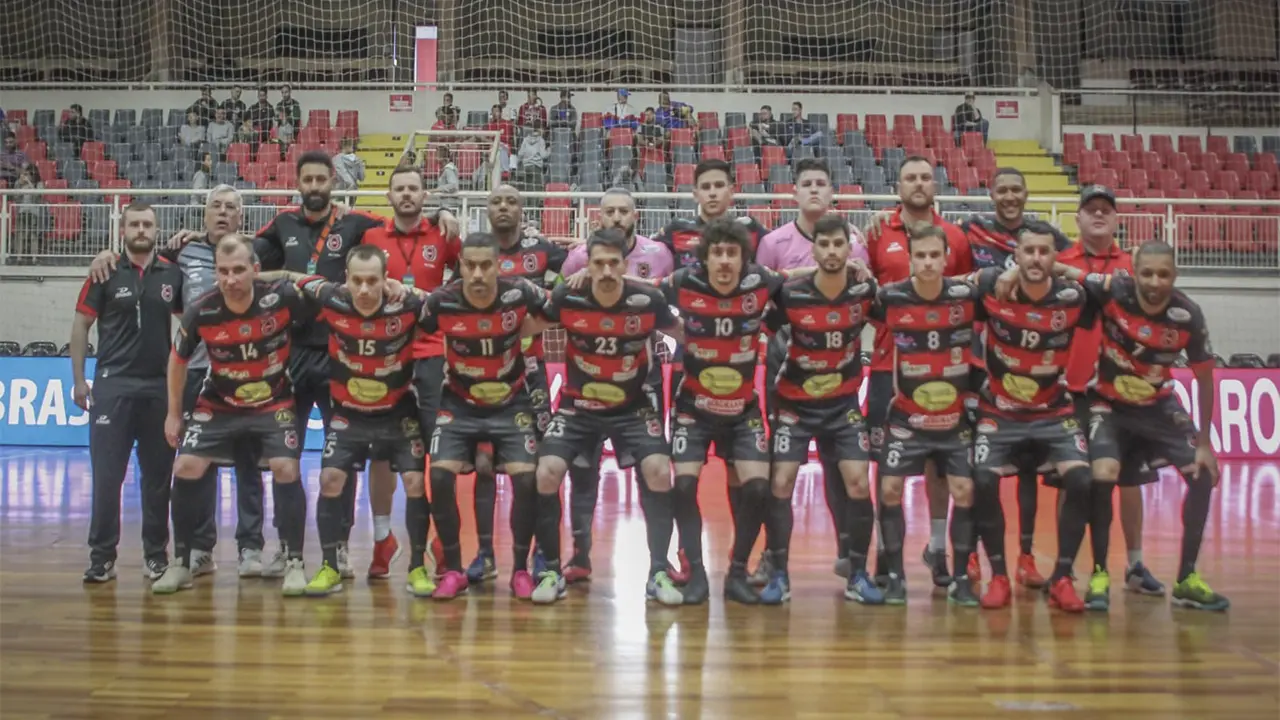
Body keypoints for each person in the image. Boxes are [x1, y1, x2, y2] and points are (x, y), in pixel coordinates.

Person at [253, 151, 456, 578]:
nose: (313, 185)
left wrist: (444, 213)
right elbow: (243, 255)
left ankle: (418, 544)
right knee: (298, 456)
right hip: (319, 353)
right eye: (306, 178)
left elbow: (458, 255)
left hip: (395, 355)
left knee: (411, 456)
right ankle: (310, 546)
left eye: (320, 178)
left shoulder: (393, 228)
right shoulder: (306, 226)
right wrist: (192, 240)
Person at [88, 185, 266, 578]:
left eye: (231, 208)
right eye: (215, 206)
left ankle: (251, 548)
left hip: (249, 374)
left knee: (248, 463)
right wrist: (106, 255)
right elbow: (138, 261)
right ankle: (200, 549)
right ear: (204, 214)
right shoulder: (181, 253)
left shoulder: (259, 251)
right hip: (197, 374)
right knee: (195, 465)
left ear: (242, 216)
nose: (223, 213)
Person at [1050, 242, 1228, 611]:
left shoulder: (1187, 315)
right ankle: (1100, 573)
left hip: (1158, 404)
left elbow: (1206, 378)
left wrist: (1206, 444)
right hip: (1108, 403)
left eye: (1163, 274)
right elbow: (1070, 273)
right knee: (1103, 472)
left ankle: (1187, 578)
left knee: (1202, 474)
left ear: (1174, 276)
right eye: (1146, 273)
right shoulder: (1114, 289)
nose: (1154, 281)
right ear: (1134, 274)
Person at [258, 246, 434, 597]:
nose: (365, 289)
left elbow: (445, 299)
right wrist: (253, 275)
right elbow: (292, 277)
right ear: (346, 281)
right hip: (348, 413)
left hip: (398, 412)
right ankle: (329, 566)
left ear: (386, 280)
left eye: (373, 281)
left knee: (415, 482)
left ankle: (417, 568)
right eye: (357, 281)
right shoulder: (332, 297)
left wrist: (410, 288)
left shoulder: (408, 303)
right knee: (330, 478)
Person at [155, 235, 311, 596]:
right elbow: (177, 361)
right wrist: (173, 414)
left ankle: (294, 562)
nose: (230, 279)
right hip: (219, 404)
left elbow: (322, 314)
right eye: (223, 272)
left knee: (287, 468)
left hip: (273, 401)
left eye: (239, 270)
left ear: (255, 270)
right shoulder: (201, 310)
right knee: (185, 467)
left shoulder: (282, 297)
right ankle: (181, 562)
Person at [535, 229, 683, 605]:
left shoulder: (646, 299)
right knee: (548, 470)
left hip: (633, 406)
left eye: (612, 263)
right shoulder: (569, 295)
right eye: (596, 263)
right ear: (587, 264)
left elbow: (682, 332)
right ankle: (554, 567)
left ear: (624, 265)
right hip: (577, 405)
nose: (604, 270)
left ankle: (658, 572)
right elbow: (525, 326)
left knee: (658, 470)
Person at [658, 219, 797, 605]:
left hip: (743, 409)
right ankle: (697, 573)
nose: (723, 260)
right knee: (683, 485)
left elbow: (795, 277)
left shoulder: (762, 281)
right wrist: (676, 330)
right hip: (692, 407)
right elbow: (645, 293)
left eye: (731, 253)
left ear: (743, 258)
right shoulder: (684, 281)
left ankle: (736, 572)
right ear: (705, 258)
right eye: (716, 253)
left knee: (757, 489)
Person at [754, 158, 870, 581]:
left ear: (832, 191)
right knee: (779, 472)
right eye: (807, 184)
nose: (815, 190)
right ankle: (773, 556)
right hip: (787, 370)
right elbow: (762, 289)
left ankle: (848, 552)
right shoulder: (773, 241)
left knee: (846, 468)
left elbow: (863, 293)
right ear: (795, 192)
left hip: (839, 373)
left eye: (822, 182)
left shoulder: (854, 241)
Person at [417, 233, 550, 601]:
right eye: (470, 265)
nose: (477, 273)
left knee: (526, 480)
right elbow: (420, 327)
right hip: (459, 402)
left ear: (498, 265)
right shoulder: (442, 301)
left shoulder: (520, 292)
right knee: (440, 475)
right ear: (460, 266)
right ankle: (454, 571)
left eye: (485, 265)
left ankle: (520, 569)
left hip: (511, 401)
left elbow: (558, 309)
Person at [970, 222, 1095, 612]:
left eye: (1044, 251)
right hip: (999, 410)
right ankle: (999, 576)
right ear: (1016, 255)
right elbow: (942, 289)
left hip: (1053, 410)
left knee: (1082, 478)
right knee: (982, 480)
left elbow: (1121, 293)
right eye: (1029, 251)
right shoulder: (991, 286)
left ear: (1055, 257)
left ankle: (1061, 577)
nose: (1036, 258)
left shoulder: (1075, 296)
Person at [862, 156, 972, 588]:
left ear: (936, 184)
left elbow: (964, 295)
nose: (919, 184)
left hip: (945, 369)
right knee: (884, 466)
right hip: (890, 366)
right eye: (911, 177)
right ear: (898, 187)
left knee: (940, 465)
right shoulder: (876, 232)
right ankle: (887, 558)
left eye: (926, 176)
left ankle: (938, 548)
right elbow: (865, 295)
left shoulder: (956, 237)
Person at [959, 167, 1072, 589]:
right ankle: (968, 554)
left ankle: (1024, 556)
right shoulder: (971, 231)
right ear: (991, 194)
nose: (1009, 196)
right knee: (973, 466)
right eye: (1001, 189)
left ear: (1027, 193)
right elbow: (946, 268)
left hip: (1034, 367)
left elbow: (1072, 268)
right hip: (978, 364)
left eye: (1016, 189)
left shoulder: (1047, 237)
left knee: (1027, 466)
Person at [557, 188, 674, 582]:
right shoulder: (575, 256)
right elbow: (563, 304)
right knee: (580, 472)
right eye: (610, 212)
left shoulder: (658, 253)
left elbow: (668, 300)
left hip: (640, 377)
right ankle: (579, 555)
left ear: (635, 215)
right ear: (598, 217)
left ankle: (660, 562)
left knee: (653, 469)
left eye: (624, 211)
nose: (617, 218)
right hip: (586, 383)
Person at [868, 225, 983, 607]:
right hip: (906, 417)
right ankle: (896, 576)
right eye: (921, 256)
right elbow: (847, 300)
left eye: (936, 255)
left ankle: (962, 577)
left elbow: (1003, 284)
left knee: (965, 491)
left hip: (953, 419)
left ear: (947, 257)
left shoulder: (967, 295)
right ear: (911, 259)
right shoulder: (891, 297)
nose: (929, 262)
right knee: (888, 489)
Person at [1059, 185, 1164, 596]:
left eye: (1106, 209)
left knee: (1131, 480)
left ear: (1117, 219)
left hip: (1125, 391)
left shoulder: (1135, 266)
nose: (1098, 215)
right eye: (1091, 209)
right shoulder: (1060, 262)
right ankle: (1065, 567)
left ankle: (1135, 564)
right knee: (1070, 478)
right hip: (1072, 391)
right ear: (1078, 218)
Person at [72, 202, 184, 583]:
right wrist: (78, 380)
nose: (141, 229)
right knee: (107, 477)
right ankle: (102, 556)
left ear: (156, 229)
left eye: (147, 224)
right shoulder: (104, 272)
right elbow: (81, 326)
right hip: (112, 386)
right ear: (123, 230)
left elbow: (190, 326)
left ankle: (156, 555)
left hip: (158, 388)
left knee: (157, 478)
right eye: (134, 223)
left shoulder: (173, 273)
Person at [463, 185, 566, 585]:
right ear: (486, 208)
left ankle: (542, 552)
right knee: (485, 465)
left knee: (538, 466)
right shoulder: (474, 254)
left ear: (522, 209)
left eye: (511, 201)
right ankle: (485, 554)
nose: (503, 207)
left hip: (532, 372)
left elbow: (570, 282)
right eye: (495, 201)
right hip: (482, 373)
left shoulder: (542, 250)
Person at [360, 166, 460, 580]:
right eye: (399, 188)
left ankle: (437, 536)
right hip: (386, 353)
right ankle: (383, 538)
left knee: (437, 448)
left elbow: (468, 275)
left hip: (432, 352)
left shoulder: (444, 234)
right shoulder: (370, 238)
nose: (406, 194)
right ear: (388, 195)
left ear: (424, 194)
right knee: (380, 449)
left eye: (413, 188)